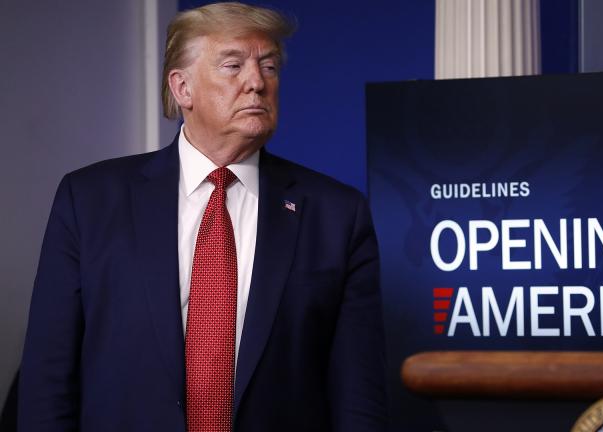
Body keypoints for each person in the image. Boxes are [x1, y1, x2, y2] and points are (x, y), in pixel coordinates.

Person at [18, 3, 387, 431]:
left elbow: (359, 394)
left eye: (269, 66)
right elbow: (48, 377)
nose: (257, 82)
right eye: (233, 65)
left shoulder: (337, 214)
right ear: (182, 88)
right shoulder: (89, 200)